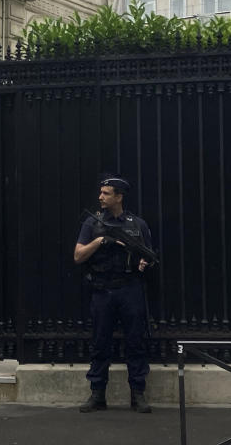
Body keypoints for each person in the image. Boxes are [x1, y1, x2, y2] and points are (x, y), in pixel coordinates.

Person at [73, 175, 154, 414]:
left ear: (119, 196)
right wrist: (100, 241)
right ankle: (97, 394)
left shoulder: (137, 224)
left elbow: (148, 256)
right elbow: (78, 256)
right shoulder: (92, 223)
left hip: (130, 288)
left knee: (136, 342)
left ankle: (137, 393)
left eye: (106, 193)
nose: (100, 197)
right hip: (102, 289)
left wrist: (143, 264)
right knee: (100, 342)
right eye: (101, 192)